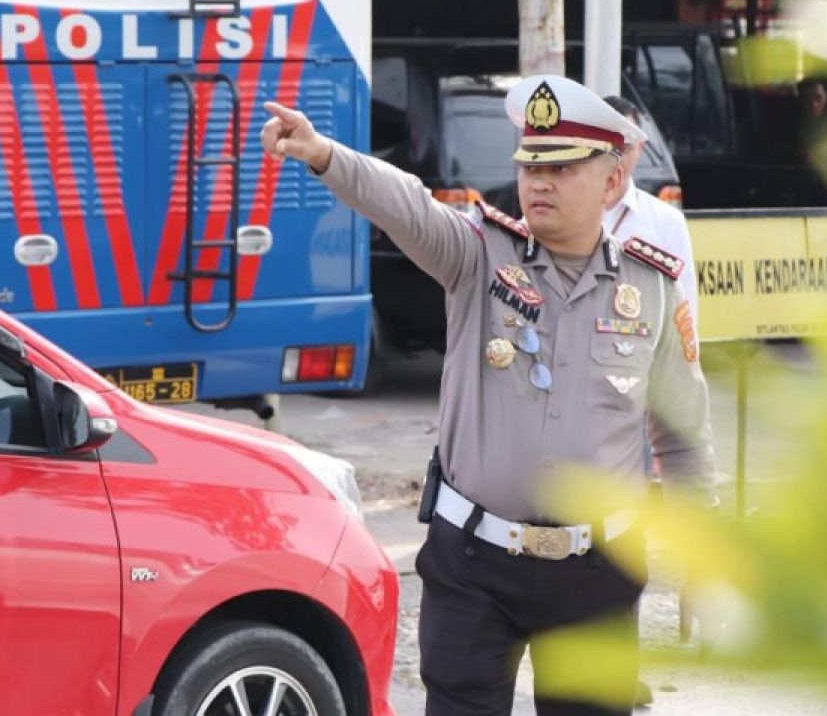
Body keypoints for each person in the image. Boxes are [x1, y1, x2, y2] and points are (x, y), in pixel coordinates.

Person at [261, 74, 716, 716]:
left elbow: (684, 436)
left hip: (596, 572)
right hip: (473, 564)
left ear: (613, 182)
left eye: (561, 169)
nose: (539, 183)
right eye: (531, 165)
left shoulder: (651, 288)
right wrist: (325, 154)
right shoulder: (478, 255)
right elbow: (408, 205)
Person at [602, 95, 699, 331]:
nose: (615, 160)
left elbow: (685, 310)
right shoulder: (566, 211)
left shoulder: (666, 221)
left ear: (641, 148)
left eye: (625, 148)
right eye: (606, 148)